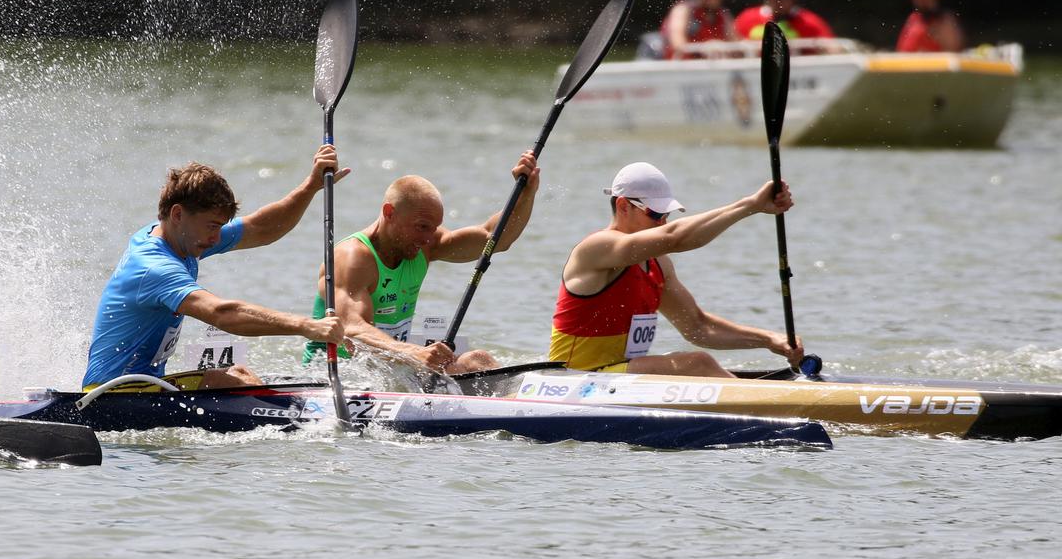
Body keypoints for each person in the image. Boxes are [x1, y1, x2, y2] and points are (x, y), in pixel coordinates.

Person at [82, 146, 347, 391]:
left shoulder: (176, 236)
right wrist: (306, 325)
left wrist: (311, 187)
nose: (217, 238)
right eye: (212, 226)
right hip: (114, 393)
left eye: (220, 227)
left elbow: (261, 228)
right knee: (238, 382)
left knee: (238, 374)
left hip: (141, 384)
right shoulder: (155, 268)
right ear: (177, 214)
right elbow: (222, 313)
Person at [549, 162, 804, 377]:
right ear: (624, 206)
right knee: (697, 364)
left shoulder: (658, 264)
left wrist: (770, 339)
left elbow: (697, 326)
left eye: (666, 214)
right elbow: (675, 238)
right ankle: (769, 405)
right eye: (655, 213)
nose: (663, 222)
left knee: (698, 363)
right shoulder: (597, 248)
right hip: (573, 379)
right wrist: (751, 205)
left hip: (613, 376)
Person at [304, 151, 540, 374]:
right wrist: (414, 352)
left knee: (477, 360)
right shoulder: (352, 258)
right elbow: (352, 328)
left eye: (434, 228)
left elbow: (494, 240)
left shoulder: (423, 245)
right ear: (389, 213)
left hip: (392, 366)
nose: (428, 238)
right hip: (337, 374)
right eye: (421, 227)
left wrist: (525, 193)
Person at [659, 0, 740, 59]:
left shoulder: (723, 14)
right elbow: (677, 42)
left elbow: (735, 43)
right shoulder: (683, 10)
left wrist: (722, 46)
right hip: (681, 67)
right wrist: (703, 48)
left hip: (709, 68)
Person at [735, 0, 834, 42]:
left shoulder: (809, 22)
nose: (779, 2)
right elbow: (733, 43)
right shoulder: (747, 18)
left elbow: (829, 45)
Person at [896, 0, 964, 53]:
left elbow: (954, 51)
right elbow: (902, 50)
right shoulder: (914, 18)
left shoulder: (945, 21)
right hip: (911, 64)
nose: (921, 2)